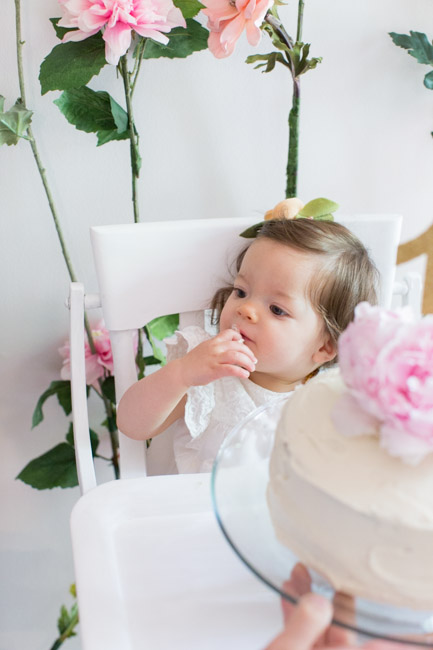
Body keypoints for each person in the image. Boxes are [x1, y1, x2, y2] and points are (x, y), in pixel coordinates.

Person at [117, 218, 378, 472]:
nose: (246, 309)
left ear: (324, 348)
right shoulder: (205, 367)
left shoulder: (330, 399)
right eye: (241, 291)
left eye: (277, 309)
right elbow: (131, 424)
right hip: (192, 508)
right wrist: (182, 373)